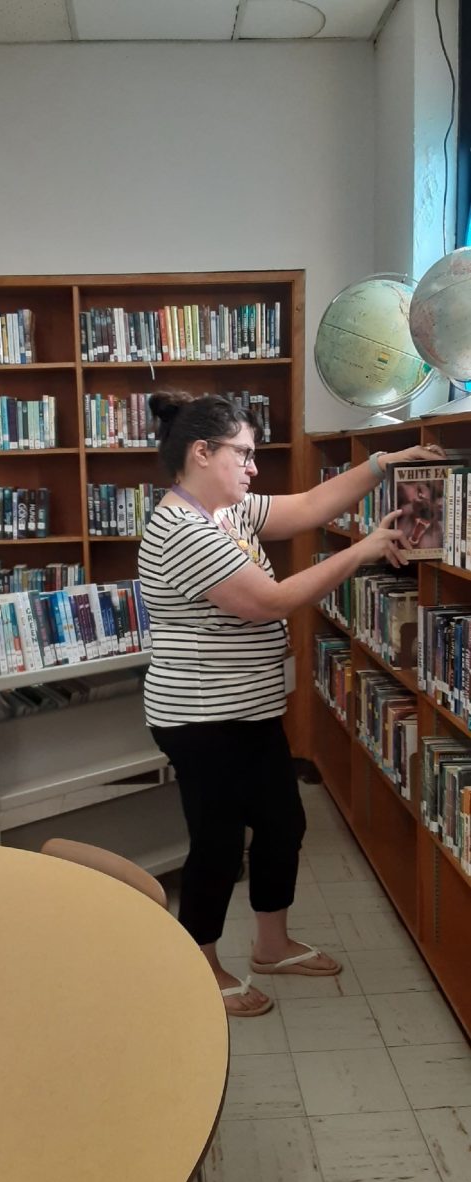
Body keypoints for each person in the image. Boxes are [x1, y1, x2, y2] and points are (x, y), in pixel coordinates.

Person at [138, 391, 444, 1017]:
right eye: (243, 455)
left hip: (247, 711)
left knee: (284, 824)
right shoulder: (182, 528)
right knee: (219, 845)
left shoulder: (227, 511)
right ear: (202, 453)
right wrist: (358, 553)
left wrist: (383, 463)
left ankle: (271, 946)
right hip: (201, 718)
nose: (254, 468)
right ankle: (203, 964)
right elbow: (269, 601)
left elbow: (307, 506)